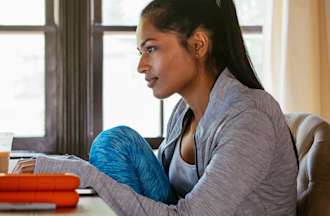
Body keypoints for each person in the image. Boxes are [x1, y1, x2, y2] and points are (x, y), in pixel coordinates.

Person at [14, 0, 299, 215]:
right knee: (115, 142)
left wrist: (81, 173)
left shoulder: (250, 117)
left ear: (199, 44)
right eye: (140, 52)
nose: (141, 66)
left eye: (151, 49)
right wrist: (70, 170)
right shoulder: (183, 113)